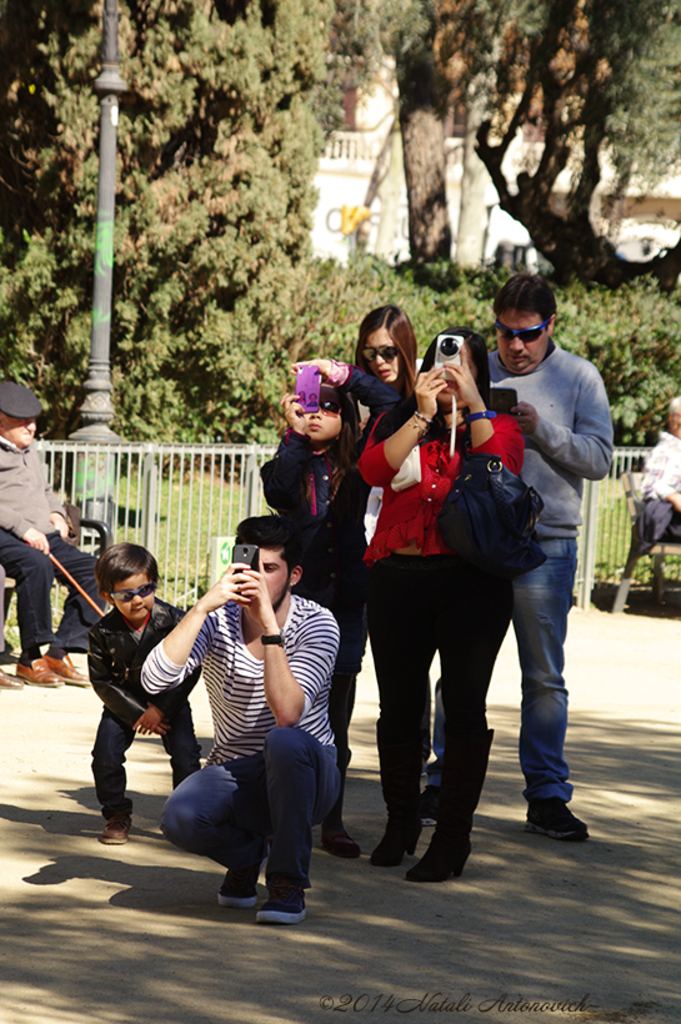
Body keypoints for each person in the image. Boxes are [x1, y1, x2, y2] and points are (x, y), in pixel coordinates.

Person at [358, 328, 524, 882]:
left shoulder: (497, 426)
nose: (448, 372)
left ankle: (452, 838)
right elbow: (374, 472)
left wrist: (473, 400)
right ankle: (399, 824)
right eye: (440, 362)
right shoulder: (401, 421)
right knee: (397, 708)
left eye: (462, 365)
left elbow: (500, 468)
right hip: (398, 579)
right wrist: (422, 415)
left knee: (463, 708)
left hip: (471, 584)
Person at [140, 515, 341, 926]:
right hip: (239, 771)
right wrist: (200, 608)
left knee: (283, 742)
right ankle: (249, 858)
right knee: (180, 816)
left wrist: (270, 628)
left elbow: (288, 713)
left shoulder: (318, 622)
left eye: (271, 569)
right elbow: (154, 681)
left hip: (307, 773)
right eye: (252, 566)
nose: (258, 579)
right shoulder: (217, 620)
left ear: (294, 575)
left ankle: (287, 884)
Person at [489, 272, 613, 841]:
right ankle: (442, 782)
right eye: (506, 333)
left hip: (547, 543)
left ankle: (546, 795)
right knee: (461, 672)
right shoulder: (474, 366)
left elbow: (600, 459)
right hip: (478, 542)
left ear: (551, 327)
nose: (515, 346)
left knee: (542, 677)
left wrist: (543, 432)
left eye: (529, 334)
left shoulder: (579, 377)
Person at [261, 364, 399, 858]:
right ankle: (276, 818)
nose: (318, 414)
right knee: (282, 716)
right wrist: (295, 433)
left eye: (329, 406)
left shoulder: (362, 462)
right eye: (310, 404)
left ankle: (333, 821)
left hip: (345, 608)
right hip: (293, 609)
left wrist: (346, 374)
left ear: (348, 416)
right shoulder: (289, 457)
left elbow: (392, 405)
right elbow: (277, 493)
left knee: (335, 719)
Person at [88, 542, 202, 845]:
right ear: (106, 596)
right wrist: (138, 713)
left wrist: (161, 709)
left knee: (186, 756)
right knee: (105, 756)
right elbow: (102, 681)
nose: (138, 600)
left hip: (171, 700)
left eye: (146, 589)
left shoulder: (177, 620)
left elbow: (190, 668)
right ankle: (116, 813)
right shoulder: (101, 632)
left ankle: (188, 814)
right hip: (123, 702)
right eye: (126, 595)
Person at [0, 381, 105, 688]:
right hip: (8, 534)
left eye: (33, 421)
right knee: (36, 564)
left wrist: (57, 513)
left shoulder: (30, 450)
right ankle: (29, 658)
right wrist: (24, 529)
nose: (31, 427)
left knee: (95, 571)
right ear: (1, 420)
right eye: (22, 421)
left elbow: (44, 490)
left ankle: (58, 652)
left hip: (43, 533)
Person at [638, 397, 681, 551]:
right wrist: (675, 497)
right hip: (669, 524)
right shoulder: (666, 450)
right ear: (672, 419)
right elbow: (651, 486)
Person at [355, 304, 419, 400]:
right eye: (370, 353)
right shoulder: (358, 399)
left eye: (387, 351)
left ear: (405, 348)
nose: (378, 361)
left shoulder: (429, 386)